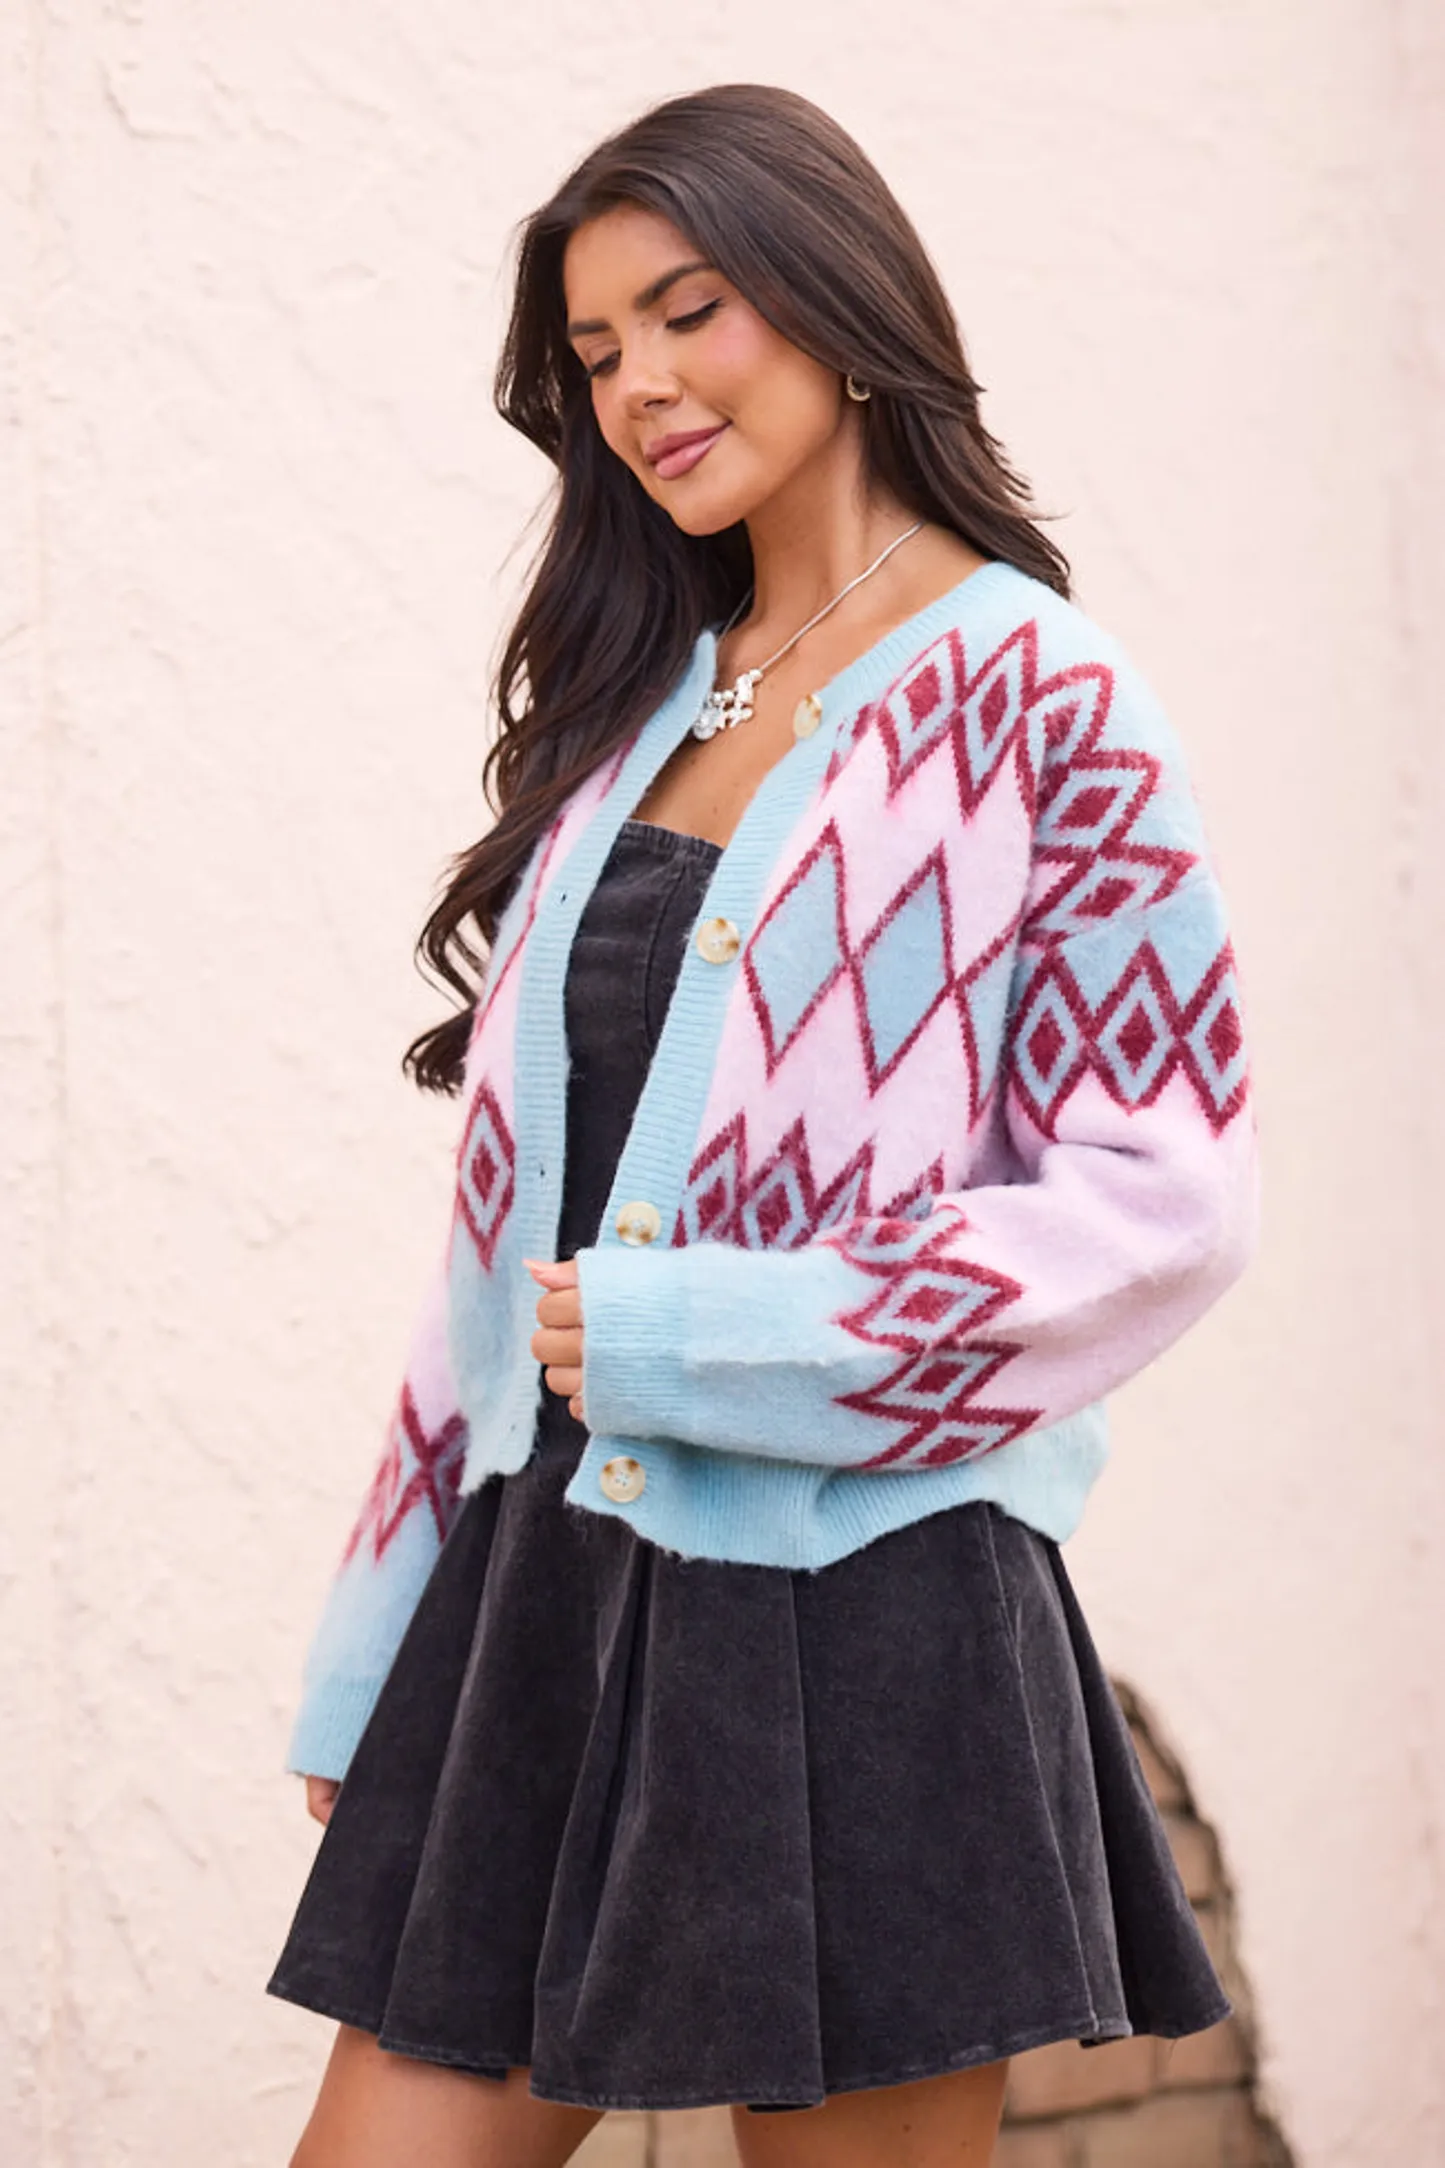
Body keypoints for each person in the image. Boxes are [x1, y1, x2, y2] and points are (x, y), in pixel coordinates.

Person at [267, 81, 1259, 2168]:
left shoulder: (1047, 703)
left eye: (685, 310)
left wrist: (717, 1337)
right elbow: (494, 1259)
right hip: (546, 1597)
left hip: (872, 1613)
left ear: (832, 293)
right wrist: (380, 1642)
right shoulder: (637, 708)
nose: (637, 384)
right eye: (593, 351)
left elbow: (1159, 1202)